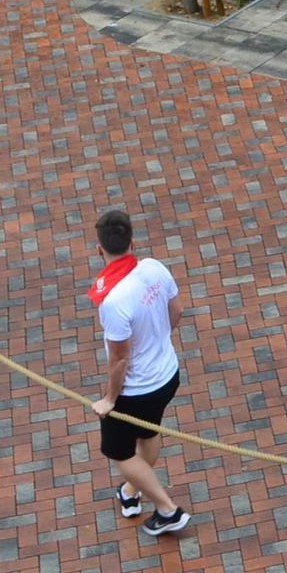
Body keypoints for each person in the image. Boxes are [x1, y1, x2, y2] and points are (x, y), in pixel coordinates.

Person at [87, 209, 191, 538]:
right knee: (148, 433)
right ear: (133, 241)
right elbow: (177, 310)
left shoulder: (114, 300)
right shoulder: (154, 268)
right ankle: (131, 493)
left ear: (99, 249)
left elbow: (119, 358)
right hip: (167, 376)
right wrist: (158, 341)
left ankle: (167, 509)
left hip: (136, 390)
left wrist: (109, 399)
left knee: (118, 451)